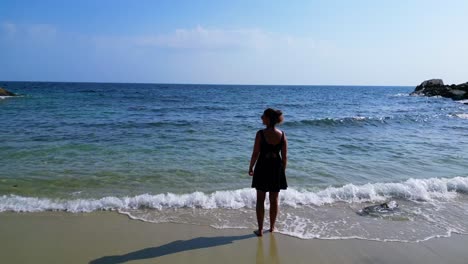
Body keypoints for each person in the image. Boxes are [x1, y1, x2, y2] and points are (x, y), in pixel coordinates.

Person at [249, 108, 288, 236]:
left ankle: (260, 230)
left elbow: (255, 153)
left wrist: (251, 167)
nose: (261, 118)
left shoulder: (260, 134)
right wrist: (282, 171)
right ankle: (272, 227)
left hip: (262, 167)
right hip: (276, 168)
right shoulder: (282, 134)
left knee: (260, 199)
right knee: (274, 199)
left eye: (263, 116)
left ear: (268, 119)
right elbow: (285, 157)